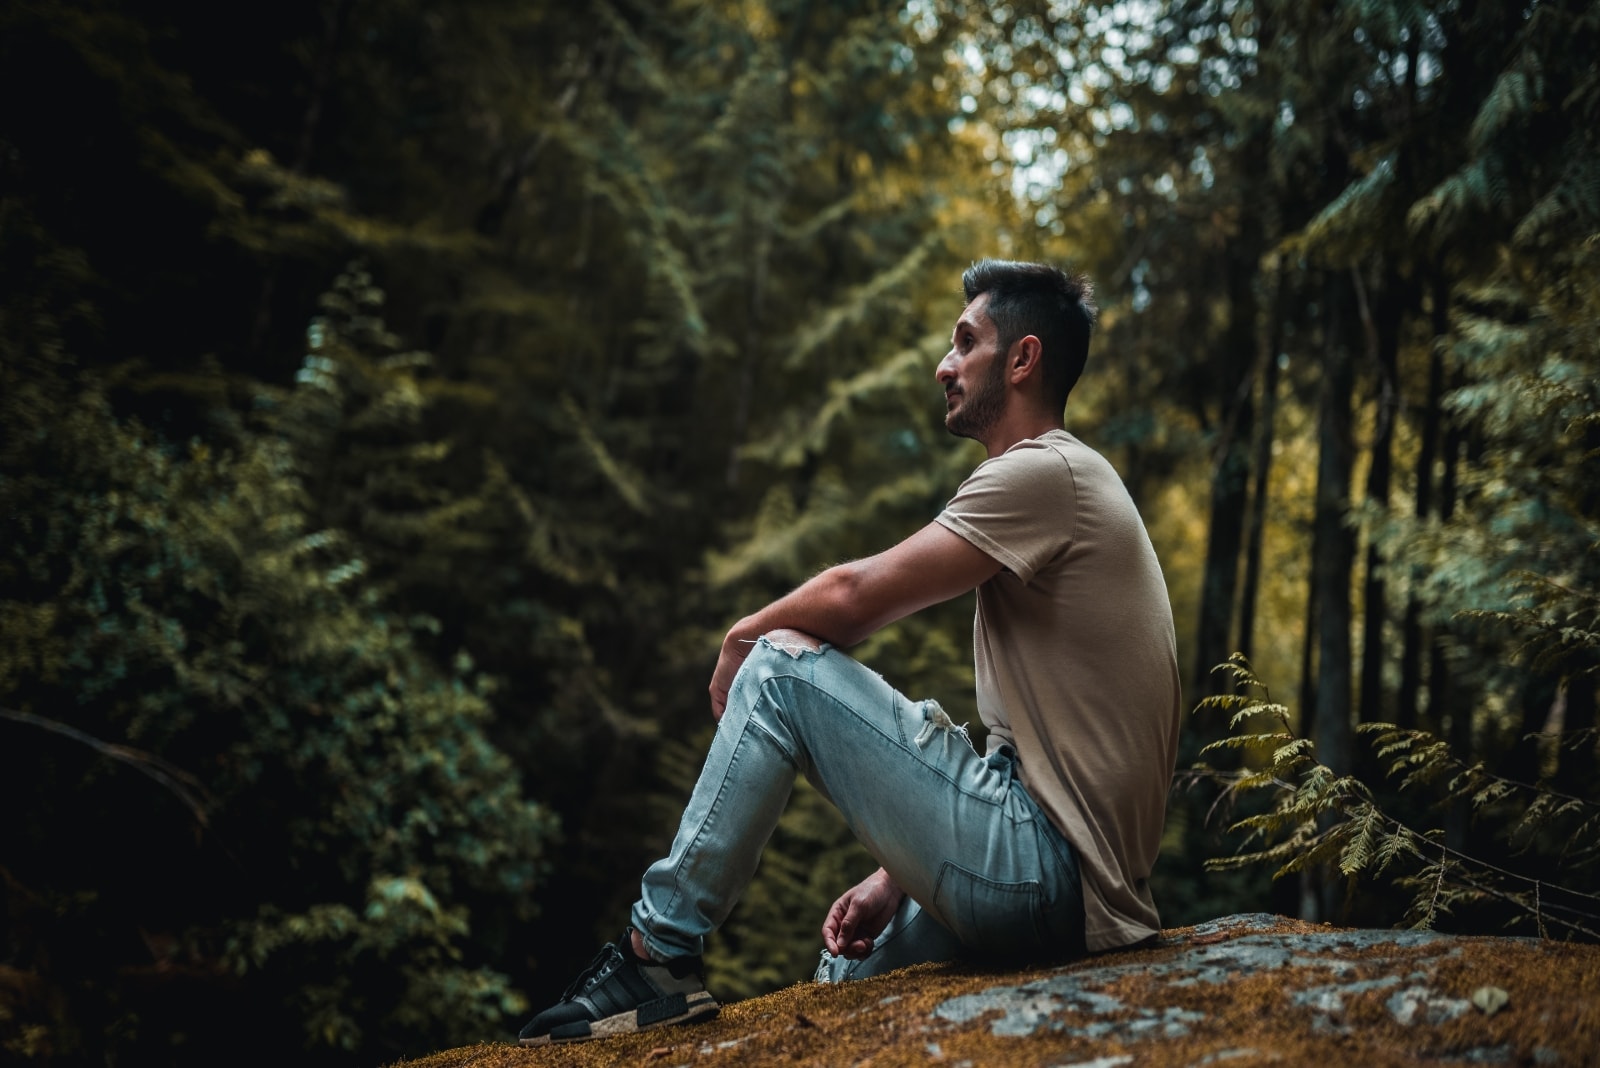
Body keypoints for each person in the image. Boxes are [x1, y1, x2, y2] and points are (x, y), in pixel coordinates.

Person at [516, 259, 1182, 1047]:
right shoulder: (1063, 485)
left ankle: (654, 956)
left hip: (1044, 876)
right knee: (847, 984)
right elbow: (1040, 763)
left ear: (1023, 359)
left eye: (965, 342)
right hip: (1068, 890)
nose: (944, 365)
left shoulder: (1047, 473)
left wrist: (741, 637)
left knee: (778, 666)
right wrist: (897, 880)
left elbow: (855, 597)